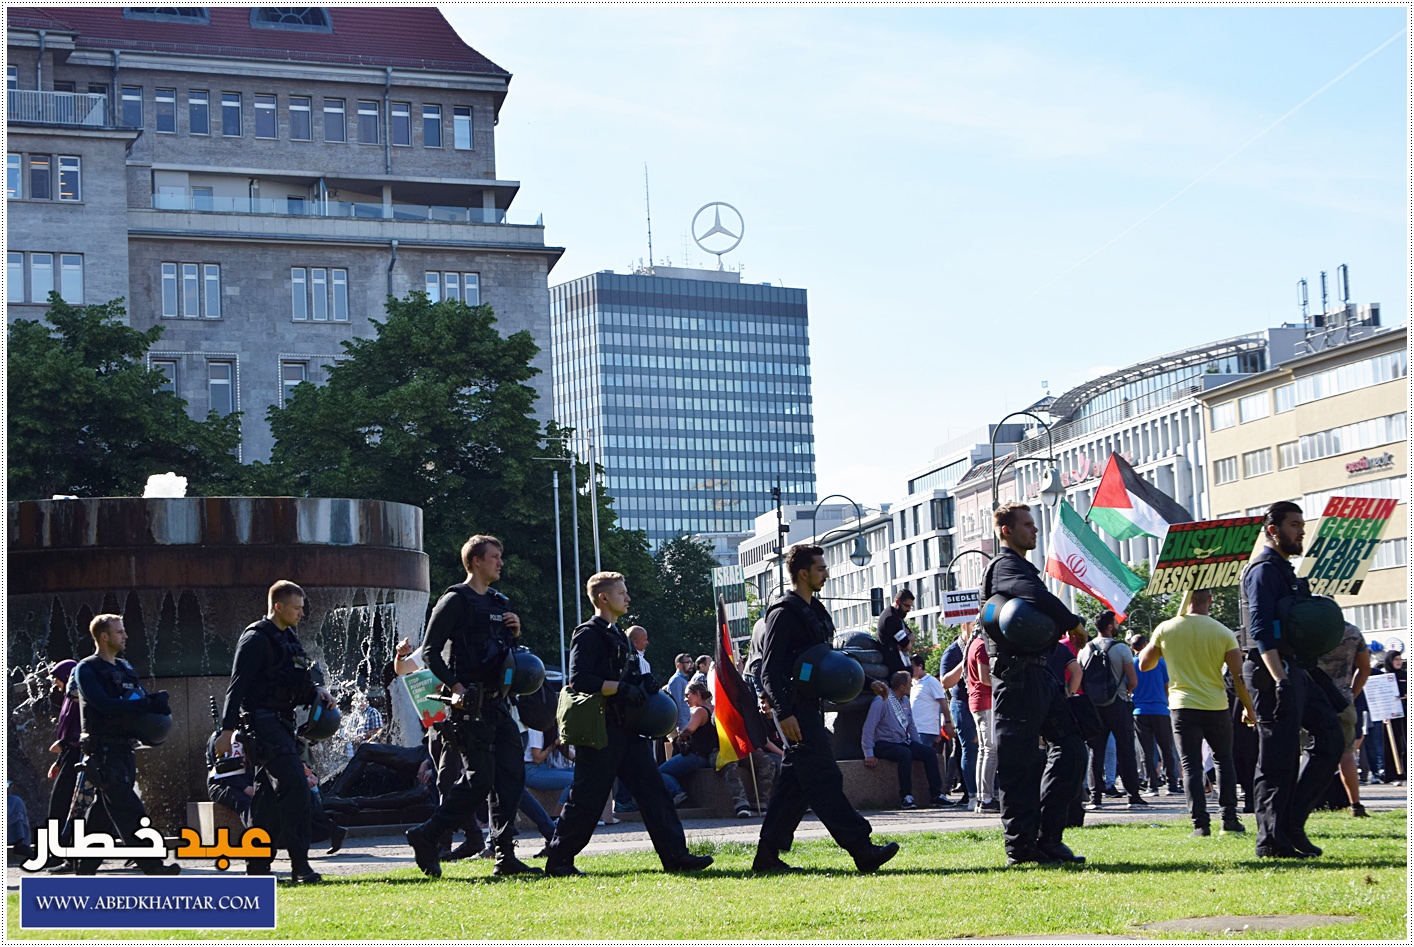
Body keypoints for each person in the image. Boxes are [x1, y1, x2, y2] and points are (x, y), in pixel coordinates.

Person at [544, 572, 713, 876]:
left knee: (654, 791)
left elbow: (626, 675)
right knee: (587, 797)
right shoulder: (588, 634)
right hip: (600, 729)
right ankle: (559, 860)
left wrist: (642, 683)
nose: (628, 598)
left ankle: (676, 856)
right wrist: (621, 688)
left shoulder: (619, 635)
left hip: (628, 729)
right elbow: (579, 679)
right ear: (603, 598)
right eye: (621, 593)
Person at [753, 544, 899, 874]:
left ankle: (767, 857)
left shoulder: (815, 611)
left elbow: (826, 662)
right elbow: (769, 670)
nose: (826, 574)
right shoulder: (783, 613)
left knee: (795, 784)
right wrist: (784, 713)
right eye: (820, 568)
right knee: (824, 777)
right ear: (802, 573)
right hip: (794, 710)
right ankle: (861, 849)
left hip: (809, 706)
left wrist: (866, 683)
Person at [403, 535, 540, 878]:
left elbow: (504, 656)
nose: (501, 562)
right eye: (495, 557)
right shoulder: (455, 600)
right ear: (476, 561)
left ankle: (505, 855)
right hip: (467, 707)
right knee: (480, 780)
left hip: (498, 704)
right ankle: (428, 834)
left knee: (511, 776)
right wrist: (456, 686)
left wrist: (515, 633)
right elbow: (431, 652)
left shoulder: (498, 603)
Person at [982, 502, 1087, 866]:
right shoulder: (1005, 566)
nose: (1035, 530)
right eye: (1027, 524)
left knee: (1072, 748)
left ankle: (1048, 839)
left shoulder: (1021, 567)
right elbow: (1036, 597)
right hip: (1017, 677)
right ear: (1007, 530)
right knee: (1020, 764)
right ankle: (1021, 848)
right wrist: (1072, 622)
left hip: (1039, 672)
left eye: (1034, 524)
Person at [1239, 501, 1343, 858]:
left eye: (1301, 524)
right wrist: (1280, 680)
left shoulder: (1284, 570)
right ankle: (1271, 841)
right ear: (1273, 530)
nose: (1301, 531)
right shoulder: (1263, 571)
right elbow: (1260, 631)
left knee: (1331, 737)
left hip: (1294, 668)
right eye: (1294, 524)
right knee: (1277, 758)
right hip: (1271, 672)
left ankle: (1292, 824)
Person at [216, 581, 332, 882]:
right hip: (262, 724)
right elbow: (236, 688)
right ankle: (300, 865)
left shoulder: (289, 638)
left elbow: (296, 680)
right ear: (278, 607)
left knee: (266, 799)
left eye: (302, 608)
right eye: (296, 608)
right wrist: (226, 731)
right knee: (295, 787)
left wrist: (317, 691)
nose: (301, 613)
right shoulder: (255, 639)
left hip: (282, 723)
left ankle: (257, 865)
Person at [71, 614, 181, 876]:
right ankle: (152, 866)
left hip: (124, 748)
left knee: (103, 811)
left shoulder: (124, 667)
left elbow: (135, 699)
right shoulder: (87, 669)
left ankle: (84, 867)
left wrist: (154, 704)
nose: (125, 636)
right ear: (104, 636)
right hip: (103, 750)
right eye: (119, 632)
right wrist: (146, 704)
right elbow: (104, 705)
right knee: (128, 808)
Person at [1140, 588, 1255, 837]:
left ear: (1185, 599)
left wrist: (1162, 641)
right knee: (1223, 760)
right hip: (1216, 705)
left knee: (1191, 765)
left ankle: (1200, 825)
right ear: (1210, 600)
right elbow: (1238, 677)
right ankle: (1229, 820)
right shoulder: (1223, 632)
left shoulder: (1166, 628)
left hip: (1182, 705)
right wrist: (1248, 707)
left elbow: (1144, 664)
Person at [1078, 611, 1148, 810]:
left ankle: (1095, 797)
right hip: (1118, 703)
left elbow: (1080, 677)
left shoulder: (1085, 649)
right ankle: (1133, 795)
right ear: (1110, 626)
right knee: (1125, 749)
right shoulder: (1122, 649)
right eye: (1115, 623)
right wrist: (1127, 691)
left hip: (1094, 706)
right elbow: (1133, 680)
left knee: (1095, 751)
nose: (1117, 626)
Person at [862, 671, 950, 808]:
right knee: (905, 754)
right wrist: (868, 753)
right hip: (884, 743)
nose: (911, 686)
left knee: (929, 752)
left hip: (902, 741)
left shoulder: (905, 701)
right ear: (902, 687)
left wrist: (918, 746)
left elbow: (911, 726)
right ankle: (906, 796)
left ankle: (936, 795)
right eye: (909, 684)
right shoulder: (882, 700)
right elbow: (869, 727)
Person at [1316, 622, 1371, 816]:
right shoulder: (1352, 631)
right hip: (1343, 700)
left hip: (1312, 700)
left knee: (1306, 751)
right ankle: (1355, 804)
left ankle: (1305, 803)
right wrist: (1351, 694)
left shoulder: (1305, 628)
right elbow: (1365, 668)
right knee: (1347, 754)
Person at [1127, 634, 1182, 797]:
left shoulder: (1132, 664)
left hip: (1139, 711)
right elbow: (1167, 685)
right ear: (1147, 645)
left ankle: (1152, 785)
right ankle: (1172, 784)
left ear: (1132, 648)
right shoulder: (1160, 662)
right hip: (1161, 710)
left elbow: (1129, 685)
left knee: (1146, 751)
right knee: (1166, 748)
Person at [41, 659, 81, 870]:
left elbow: (81, 729)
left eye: (57, 678)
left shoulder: (78, 699)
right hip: (69, 756)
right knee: (63, 803)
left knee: (64, 804)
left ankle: (61, 853)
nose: (55, 682)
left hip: (79, 756)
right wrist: (58, 760)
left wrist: (64, 744)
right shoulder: (69, 698)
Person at [659, 681, 717, 804]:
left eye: (687, 695)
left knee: (660, 772)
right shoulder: (713, 709)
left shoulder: (699, 711)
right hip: (711, 755)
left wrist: (680, 738)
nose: (685, 699)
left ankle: (678, 793)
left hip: (697, 756)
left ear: (698, 694)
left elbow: (689, 730)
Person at [939, 629, 977, 809]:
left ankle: (988, 792)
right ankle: (971, 794)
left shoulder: (983, 645)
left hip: (982, 703)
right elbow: (945, 682)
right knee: (970, 747)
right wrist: (965, 660)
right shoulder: (953, 651)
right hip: (962, 703)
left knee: (986, 749)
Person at [964, 623, 1000, 814]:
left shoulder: (974, 644)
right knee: (990, 750)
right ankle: (986, 798)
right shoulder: (982, 646)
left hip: (977, 701)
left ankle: (982, 797)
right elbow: (985, 678)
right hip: (986, 702)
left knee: (984, 750)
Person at [909, 652, 954, 758]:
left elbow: (943, 702)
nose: (910, 670)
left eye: (912, 667)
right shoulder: (912, 683)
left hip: (926, 730)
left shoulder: (931, 682)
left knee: (922, 759)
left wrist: (947, 723)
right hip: (915, 730)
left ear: (920, 666)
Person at [877, 590, 915, 675]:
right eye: (906, 606)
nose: (908, 609)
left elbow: (912, 636)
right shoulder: (891, 618)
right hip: (894, 669)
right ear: (897, 602)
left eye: (910, 607)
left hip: (901, 665)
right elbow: (907, 646)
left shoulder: (897, 617)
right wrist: (906, 640)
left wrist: (905, 641)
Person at [665, 653, 696, 734]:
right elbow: (676, 704)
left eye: (691, 662)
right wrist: (682, 725)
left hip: (687, 722)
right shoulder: (676, 680)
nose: (691, 665)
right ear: (679, 665)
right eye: (688, 662)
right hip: (682, 725)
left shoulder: (683, 679)